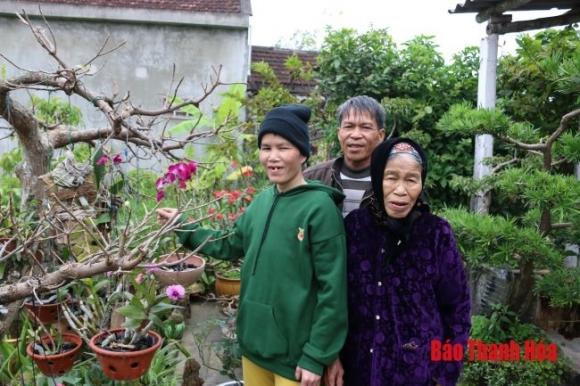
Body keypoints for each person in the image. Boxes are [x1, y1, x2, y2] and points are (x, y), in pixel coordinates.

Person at [158, 105, 348, 386]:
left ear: (303, 153)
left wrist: (316, 355)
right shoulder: (262, 201)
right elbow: (230, 243)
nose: (272, 157)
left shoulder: (319, 209)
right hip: (254, 346)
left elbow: (333, 291)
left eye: (283, 147)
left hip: (294, 360)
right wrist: (185, 226)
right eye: (266, 147)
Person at [326, 138, 471, 386]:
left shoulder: (436, 234)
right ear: (377, 178)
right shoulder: (355, 227)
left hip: (419, 375)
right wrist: (332, 357)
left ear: (421, 183)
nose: (401, 190)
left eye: (411, 179)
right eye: (391, 177)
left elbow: (458, 310)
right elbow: (335, 299)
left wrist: (445, 375)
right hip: (356, 371)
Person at [304, 95, 385, 217]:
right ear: (339, 133)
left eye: (365, 127)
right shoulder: (312, 178)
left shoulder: (392, 180)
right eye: (349, 126)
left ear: (380, 135)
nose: (356, 135)